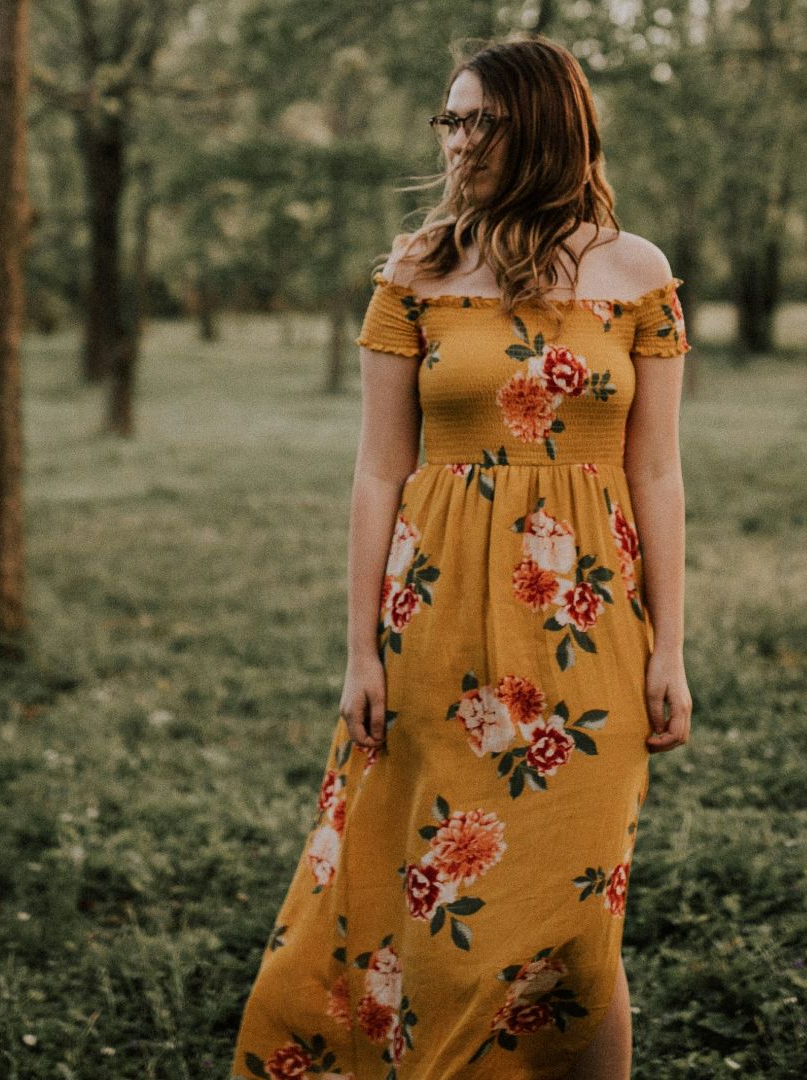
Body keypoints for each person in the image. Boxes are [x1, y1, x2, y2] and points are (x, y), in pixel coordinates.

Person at [231, 34, 693, 1080]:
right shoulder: (418, 271)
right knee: (442, 911)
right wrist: (360, 652)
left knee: (581, 922)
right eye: (451, 119)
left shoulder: (638, 275)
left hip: (590, 639)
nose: (460, 142)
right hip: (436, 634)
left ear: (543, 126)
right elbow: (376, 473)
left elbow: (656, 474)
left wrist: (669, 649)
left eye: (481, 119)